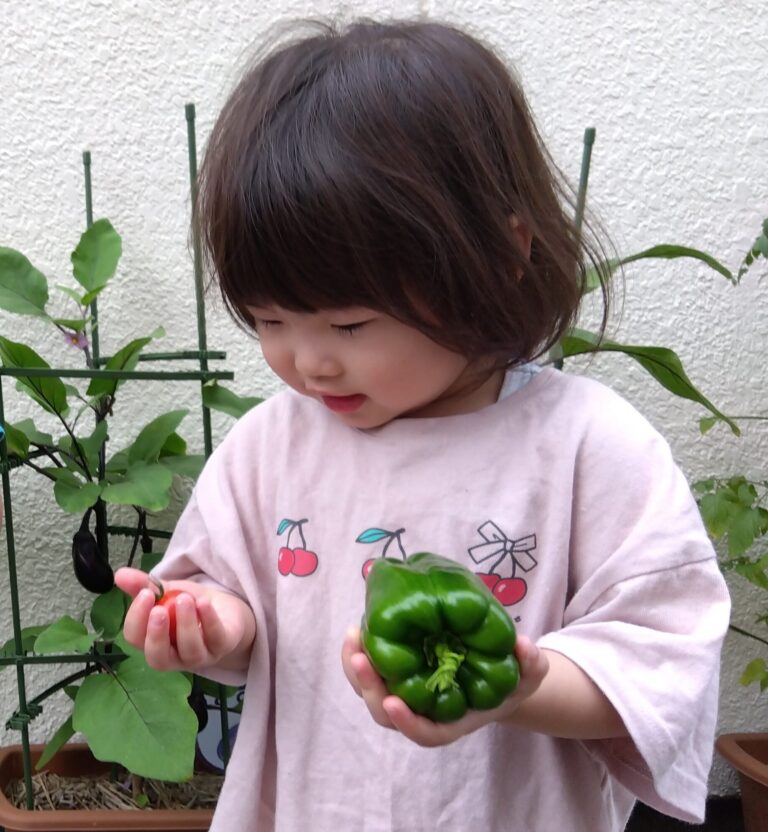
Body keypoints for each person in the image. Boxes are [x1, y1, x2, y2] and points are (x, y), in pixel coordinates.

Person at [115, 18, 730, 832]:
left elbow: (661, 658)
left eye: (349, 326)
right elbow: (231, 602)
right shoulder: (272, 443)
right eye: (268, 321)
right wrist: (208, 624)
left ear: (501, 255)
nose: (307, 364)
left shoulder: (585, 444)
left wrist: (525, 686)